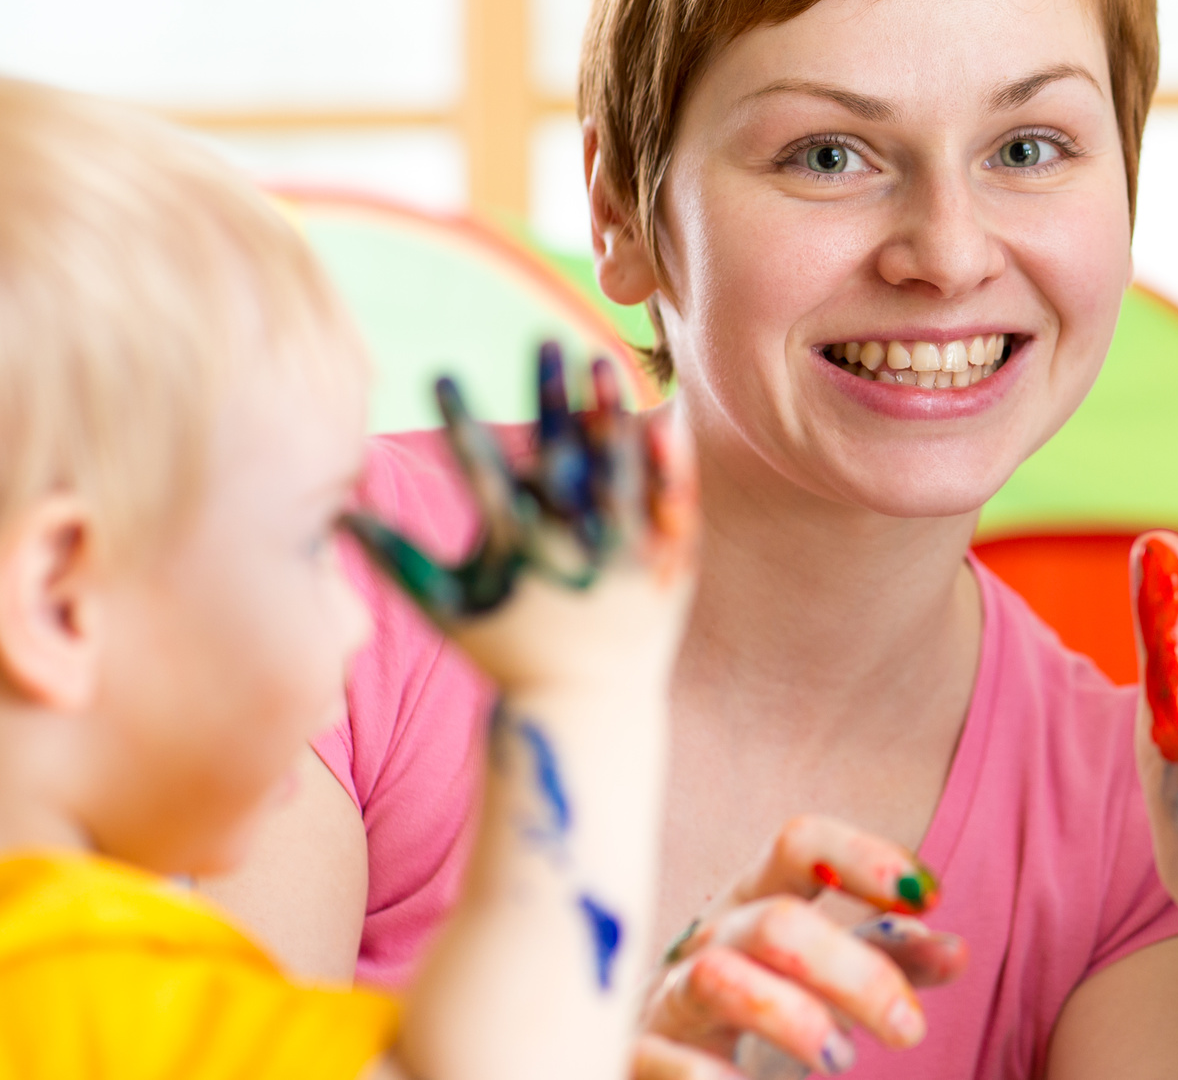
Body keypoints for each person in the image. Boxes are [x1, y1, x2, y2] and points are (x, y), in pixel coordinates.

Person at [213, 0, 1178, 1080]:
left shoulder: (1143, 821)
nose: (948, 251)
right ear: (624, 212)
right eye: (828, 153)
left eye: (1030, 148)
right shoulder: (338, 578)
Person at [0, 78, 695, 1080]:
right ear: (61, 602)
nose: (356, 623)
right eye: (312, 539)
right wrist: (581, 692)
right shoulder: (85, 987)